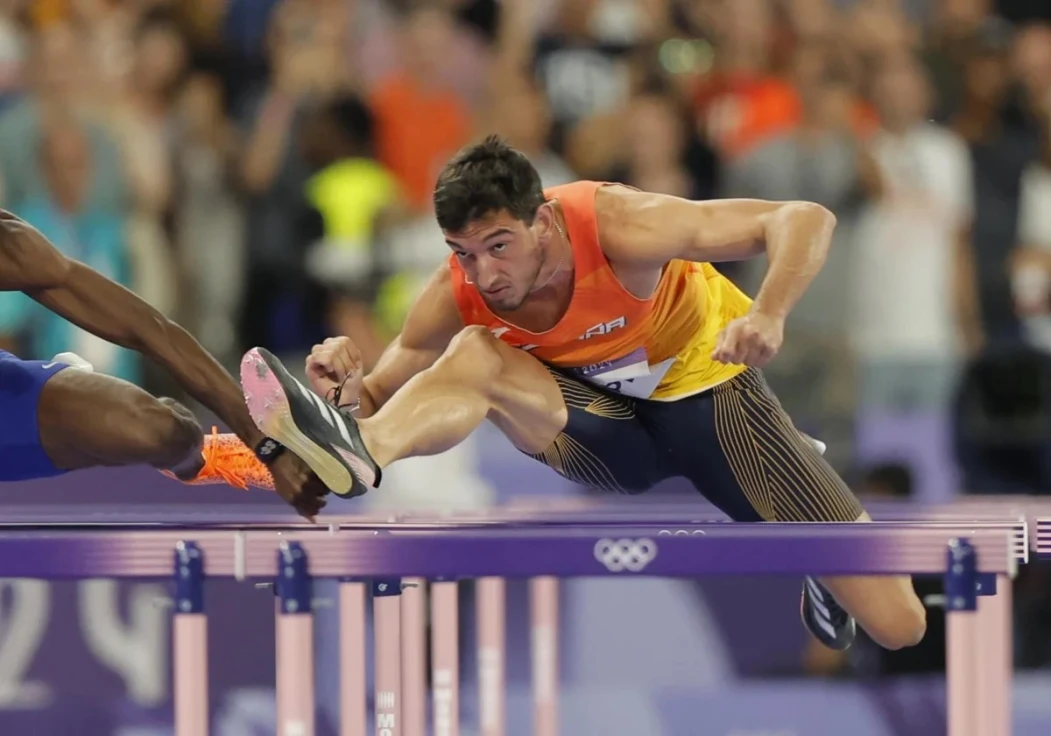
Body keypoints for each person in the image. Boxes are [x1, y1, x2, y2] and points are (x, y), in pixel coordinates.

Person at [240, 136, 928, 652]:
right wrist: (351, 393)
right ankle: (362, 457)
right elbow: (387, 391)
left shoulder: (621, 222)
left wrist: (768, 313)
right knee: (473, 353)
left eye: (499, 246)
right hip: (601, 434)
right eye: (462, 251)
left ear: (543, 220)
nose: (483, 273)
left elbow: (803, 218)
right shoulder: (459, 289)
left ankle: (810, 562)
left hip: (711, 402)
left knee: (898, 625)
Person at [0, 209, 328, 519]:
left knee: (152, 428)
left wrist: (263, 442)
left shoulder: (11, 248)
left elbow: (147, 329)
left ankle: (200, 455)